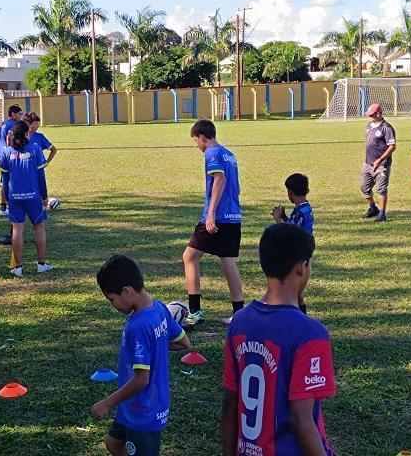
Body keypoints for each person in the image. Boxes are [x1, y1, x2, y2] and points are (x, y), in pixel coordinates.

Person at [222, 224, 337, 456]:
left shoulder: (239, 322)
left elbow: (230, 405)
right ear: (301, 268)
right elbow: (301, 419)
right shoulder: (310, 334)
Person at [91, 254, 190, 456]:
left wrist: (107, 403)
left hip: (143, 410)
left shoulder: (138, 325)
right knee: (113, 444)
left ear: (127, 291)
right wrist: (157, 345)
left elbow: (141, 379)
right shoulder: (160, 308)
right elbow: (184, 342)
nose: (113, 306)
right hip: (132, 406)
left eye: (112, 299)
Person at [182, 119, 243, 327]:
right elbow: (235, 185)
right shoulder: (229, 154)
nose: (197, 146)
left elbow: (220, 179)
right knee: (228, 262)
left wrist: (210, 214)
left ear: (201, 137)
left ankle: (195, 311)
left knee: (189, 256)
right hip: (233, 215)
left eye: (196, 141)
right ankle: (239, 313)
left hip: (218, 216)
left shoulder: (211, 153)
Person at [0, 120, 53, 278]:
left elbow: (5, 179)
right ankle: (41, 264)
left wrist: (7, 198)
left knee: (17, 231)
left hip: (15, 197)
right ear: (28, 133)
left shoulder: (6, 152)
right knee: (39, 227)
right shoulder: (35, 149)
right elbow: (41, 176)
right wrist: (45, 197)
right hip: (33, 196)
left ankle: (18, 268)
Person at [360, 103, 396, 222]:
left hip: (382, 165)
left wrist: (380, 159)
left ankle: (382, 214)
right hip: (368, 163)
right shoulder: (369, 125)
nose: (369, 117)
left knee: (381, 189)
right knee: (364, 187)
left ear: (378, 114)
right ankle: (373, 208)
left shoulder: (387, 128)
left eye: (371, 115)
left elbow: (392, 146)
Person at [0, 104, 24, 218]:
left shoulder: (1, 123)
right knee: (10, 181)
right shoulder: (13, 124)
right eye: (19, 114)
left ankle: (4, 207)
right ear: (13, 114)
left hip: (0, 156)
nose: (21, 116)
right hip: (8, 157)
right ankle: (9, 206)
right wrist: (9, 151)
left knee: (5, 181)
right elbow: (9, 138)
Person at [24, 112, 57, 208]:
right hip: (24, 168)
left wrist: (47, 162)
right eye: (35, 123)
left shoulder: (40, 137)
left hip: (38, 168)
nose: (37, 125)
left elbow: (53, 150)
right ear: (27, 123)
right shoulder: (21, 137)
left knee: (41, 185)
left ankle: (45, 201)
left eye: (38, 123)